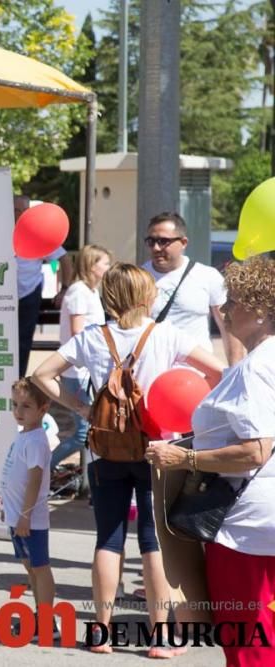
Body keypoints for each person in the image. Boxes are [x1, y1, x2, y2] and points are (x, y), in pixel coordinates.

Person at [31, 263, 223, 656]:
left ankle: (100, 632)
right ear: (146, 296)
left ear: (108, 298)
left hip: (107, 450)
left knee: (108, 539)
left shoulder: (91, 338)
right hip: (159, 451)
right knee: (153, 544)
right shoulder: (166, 334)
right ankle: (160, 636)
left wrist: (83, 409)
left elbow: (42, 374)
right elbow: (218, 371)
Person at [145, 255, 275, 666]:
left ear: (262, 311)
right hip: (260, 523)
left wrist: (183, 456)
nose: (225, 310)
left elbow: (256, 450)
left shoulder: (256, 368)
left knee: (249, 646)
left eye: (235, 301)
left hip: (246, 528)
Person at [142, 211, 244, 365]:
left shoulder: (207, 276)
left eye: (163, 241)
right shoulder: (138, 278)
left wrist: (236, 370)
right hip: (151, 375)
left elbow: (229, 325)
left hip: (197, 376)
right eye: (151, 241)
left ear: (183, 242)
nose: (156, 248)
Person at [1, 378, 56, 634]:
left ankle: (47, 621)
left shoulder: (36, 440)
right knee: (30, 567)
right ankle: (38, 615)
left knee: (40, 567)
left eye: (26, 406)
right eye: (15, 405)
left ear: (43, 409)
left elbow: (34, 480)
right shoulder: (23, 436)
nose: (18, 412)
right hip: (17, 516)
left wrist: (25, 514)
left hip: (29, 519)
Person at [50, 244, 112, 469]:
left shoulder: (92, 291)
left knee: (89, 429)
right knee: (83, 432)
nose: (108, 267)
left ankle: (88, 475)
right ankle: (45, 467)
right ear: (91, 265)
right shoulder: (78, 291)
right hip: (77, 371)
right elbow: (78, 332)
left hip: (87, 369)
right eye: (104, 263)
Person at [15, 194, 71, 378]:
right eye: (16, 210)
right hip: (1, 297)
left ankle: (18, 381)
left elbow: (64, 259)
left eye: (25, 210)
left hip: (29, 294)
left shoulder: (35, 231)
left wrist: (64, 289)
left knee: (22, 343)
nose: (21, 214)